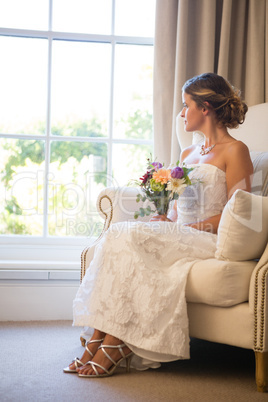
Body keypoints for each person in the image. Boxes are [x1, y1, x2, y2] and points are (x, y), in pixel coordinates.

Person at [64, 72, 253, 378]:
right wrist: (168, 219)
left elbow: (240, 212)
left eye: (186, 105)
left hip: (210, 238)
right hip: (182, 232)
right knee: (119, 235)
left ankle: (112, 342)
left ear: (204, 108)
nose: (181, 113)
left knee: (128, 237)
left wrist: (192, 228)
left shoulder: (236, 150)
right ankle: (101, 338)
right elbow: (180, 208)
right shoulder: (188, 153)